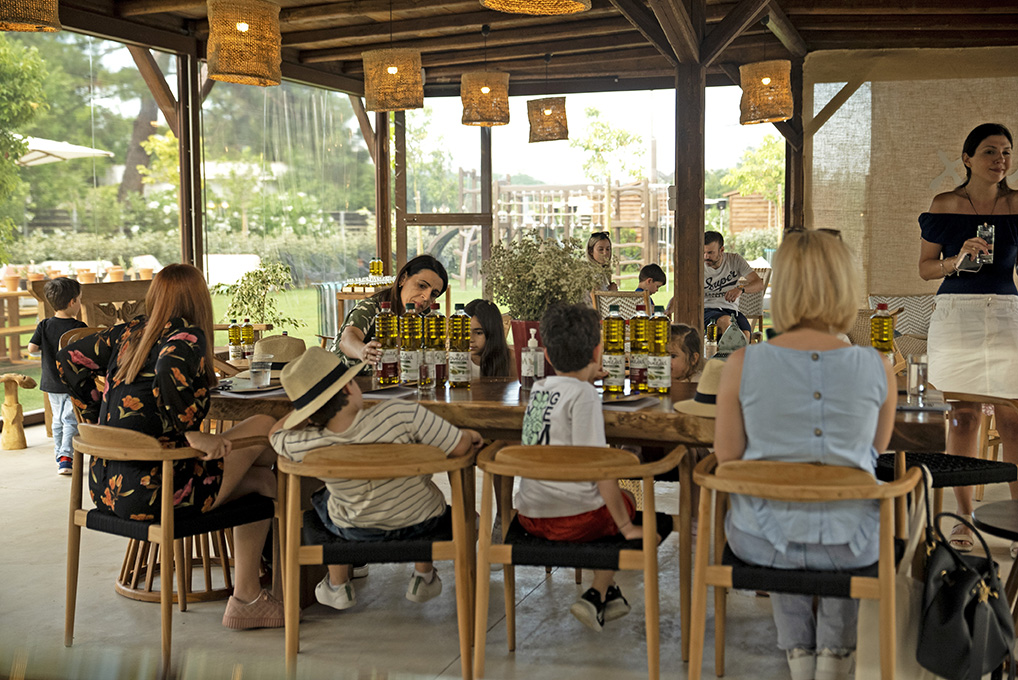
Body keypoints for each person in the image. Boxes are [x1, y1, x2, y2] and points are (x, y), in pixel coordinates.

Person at [56, 264, 281, 631]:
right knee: (266, 430)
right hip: (161, 491)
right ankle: (260, 591)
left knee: (263, 481)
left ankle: (251, 597)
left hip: (108, 491)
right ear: (199, 299)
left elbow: (66, 359)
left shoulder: (128, 332)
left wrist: (96, 413)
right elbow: (167, 369)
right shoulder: (187, 338)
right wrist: (187, 431)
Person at [714, 230, 896, 680]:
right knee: (842, 504)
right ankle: (835, 656)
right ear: (844, 287)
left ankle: (798, 653)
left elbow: (729, 460)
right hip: (853, 544)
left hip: (761, 540)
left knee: (769, 498)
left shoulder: (741, 364)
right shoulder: (878, 366)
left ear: (785, 288)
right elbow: (873, 452)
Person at [270, 348, 483, 610]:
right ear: (349, 388)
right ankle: (423, 575)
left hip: (354, 528)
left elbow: (275, 434)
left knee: (322, 500)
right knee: (440, 505)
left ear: (309, 414)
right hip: (422, 522)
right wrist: (469, 435)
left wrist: (303, 408)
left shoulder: (307, 443)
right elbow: (459, 448)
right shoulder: (400, 414)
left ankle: (338, 585)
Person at [515, 303, 653, 632]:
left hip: (530, 515)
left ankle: (612, 597)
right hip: (572, 521)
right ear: (597, 351)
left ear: (546, 354)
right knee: (626, 503)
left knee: (607, 504)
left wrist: (587, 373)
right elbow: (601, 467)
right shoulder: (586, 397)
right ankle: (596, 592)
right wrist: (624, 524)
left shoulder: (539, 389)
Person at [918, 122, 1018, 554]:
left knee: (1013, 418)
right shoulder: (946, 204)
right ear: (967, 158)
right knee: (964, 417)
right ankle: (961, 521)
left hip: (1008, 313)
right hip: (957, 314)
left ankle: (1016, 522)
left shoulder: (1017, 204)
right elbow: (925, 268)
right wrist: (957, 259)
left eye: (1007, 153)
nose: (1001, 160)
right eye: (991, 152)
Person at [333, 254, 449, 373]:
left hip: (391, 386)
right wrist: (363, 351)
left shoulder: (425, 318)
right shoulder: (372, 308)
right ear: (403, 279)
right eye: (421, 286)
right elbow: (347, 340)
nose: (426, 297)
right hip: (342, 382)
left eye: (434, 294)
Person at [28, 277, 86, 475]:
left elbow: (32, 348)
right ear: (72, 302)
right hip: (72, 382)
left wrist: (45, 351)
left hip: (51, 382)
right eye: (79, 300)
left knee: (57, 420)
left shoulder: (44, 325)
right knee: (70, 420)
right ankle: (66, 457)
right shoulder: (79, 326)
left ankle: (59, 455)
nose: (79, 304)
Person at [703, 231, 765, 339]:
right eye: (703, 252)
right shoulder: (696, 263)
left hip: (732, 311)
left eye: (710, 253)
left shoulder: (734, 260)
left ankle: (736, 354)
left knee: (745, 334)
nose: (705, 256)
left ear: (721, 250)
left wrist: (740, 289)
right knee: (725, 322)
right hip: (707, 310)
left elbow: (759, 283)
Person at [465, 298, 512, 379]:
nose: (470, 339)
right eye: (465, 332)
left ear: (493, 332)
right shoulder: (452, 363)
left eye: (478, 333)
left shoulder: (511, 360)